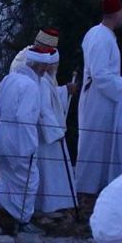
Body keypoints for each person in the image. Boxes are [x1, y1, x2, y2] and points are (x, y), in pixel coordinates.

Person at [0, 45, 54, 233]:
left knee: (8, 175)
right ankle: (23, 219)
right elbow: (24, 117)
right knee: (28, 179)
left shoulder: (9, 79)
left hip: (1, 132)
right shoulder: (31, 86)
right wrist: (30, 146)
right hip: (19, 137)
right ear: (41, 67)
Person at [75, 0, 122, 195]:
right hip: (98, 98)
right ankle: (85, 187)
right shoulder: (99, 36)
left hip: (103, 97)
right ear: (115, 13)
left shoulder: (102, 35)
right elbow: (99, 74)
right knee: (93, 142)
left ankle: (98, 185)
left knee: (101, 142)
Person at [31, 30, 77, 216]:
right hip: (47, 136)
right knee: (48, 171)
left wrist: (65, 90)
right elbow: (44, 109)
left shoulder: (47, 80)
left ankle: (55, 204)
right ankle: (48, 206)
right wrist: (56, 132)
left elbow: (53, 97)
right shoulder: (42, 81)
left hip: (52, 132)